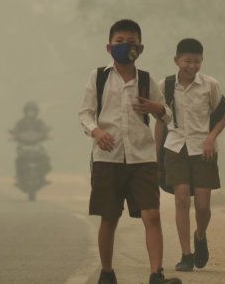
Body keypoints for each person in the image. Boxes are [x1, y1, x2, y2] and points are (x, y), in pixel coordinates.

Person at [78, 19, 181, 284]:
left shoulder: (146, 80)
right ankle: (107, 272)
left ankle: (156, 274)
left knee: (152, 215)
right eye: (120, 42)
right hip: (107, 159)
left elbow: (167, 114)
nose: (126, 47)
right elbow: (85, 113)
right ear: (109, 47)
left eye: (131, 43)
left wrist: (156, 109)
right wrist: (97, 132)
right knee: (109, 218)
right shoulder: (98, 76)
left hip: (142, 158)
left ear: (141, 48)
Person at [155, 38, 225, 273]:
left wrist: (211, 138)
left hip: (203, 148)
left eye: (196, 61)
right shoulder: (165, 86)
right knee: (181, 198)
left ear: (201, 62)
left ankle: (200, 235)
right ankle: (186, 254)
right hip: (175, 147)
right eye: (187, 61)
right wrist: (158, 152)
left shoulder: (210, 85)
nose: (191, 66)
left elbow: (223, 116)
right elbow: (160, 122)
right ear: (177, 60)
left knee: (204, 206)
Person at [10, 101, 51, 188]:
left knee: (45, 157)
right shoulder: (20, 122)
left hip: (36, 144)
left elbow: (44, 129)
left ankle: (43, 175)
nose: (31, 113)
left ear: (36, 112)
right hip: (24, 145)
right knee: (18, 159)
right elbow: (15, 130)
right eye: (29, 111)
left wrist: (46, 135)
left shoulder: (39, 122)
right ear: (25, 112)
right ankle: (19, 175)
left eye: (33, 111)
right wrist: (13, 136)